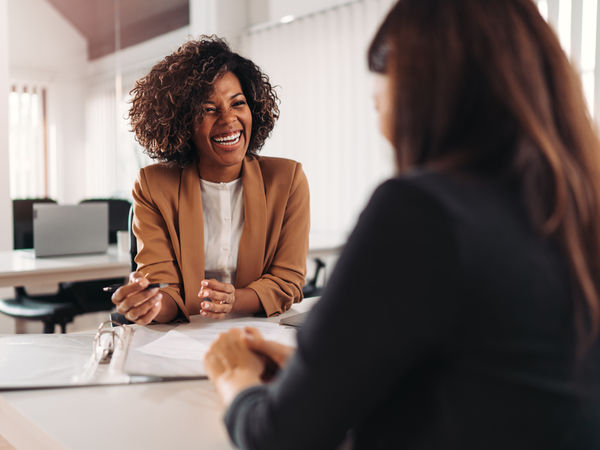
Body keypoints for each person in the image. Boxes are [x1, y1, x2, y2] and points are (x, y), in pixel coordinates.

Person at [204, 0, 600, 448]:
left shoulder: (422, 213)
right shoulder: (574, 205)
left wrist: (235, 379)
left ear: (421, 100)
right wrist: (322, 372)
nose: (383, 130)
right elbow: (493, 382)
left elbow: (279, 439)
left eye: (379, 106)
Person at [110, 37, 310, 324]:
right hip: (182, 337)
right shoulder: (154, 185)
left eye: (237, 103)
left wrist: (234, 300)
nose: (229, 119)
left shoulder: (287, 180)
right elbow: (164, 289)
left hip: (258, 331)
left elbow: (287, 281)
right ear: (182, 122)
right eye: (208, 109)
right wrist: (149, 304)